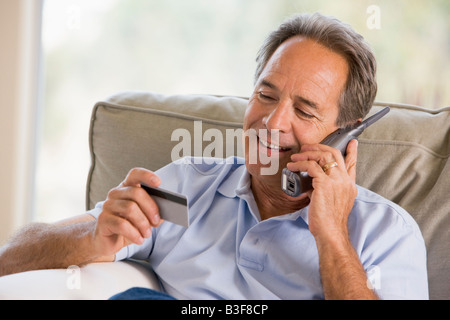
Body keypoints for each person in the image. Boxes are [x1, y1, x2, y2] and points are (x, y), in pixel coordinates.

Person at [0, 13, 428, 300]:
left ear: (345, 134)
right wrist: (92, 240)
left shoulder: (386, 233)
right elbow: (10, 259)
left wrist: (332, 234)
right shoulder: (186, 191)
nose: (271, 122)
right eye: (265, 95)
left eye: (303, 110)